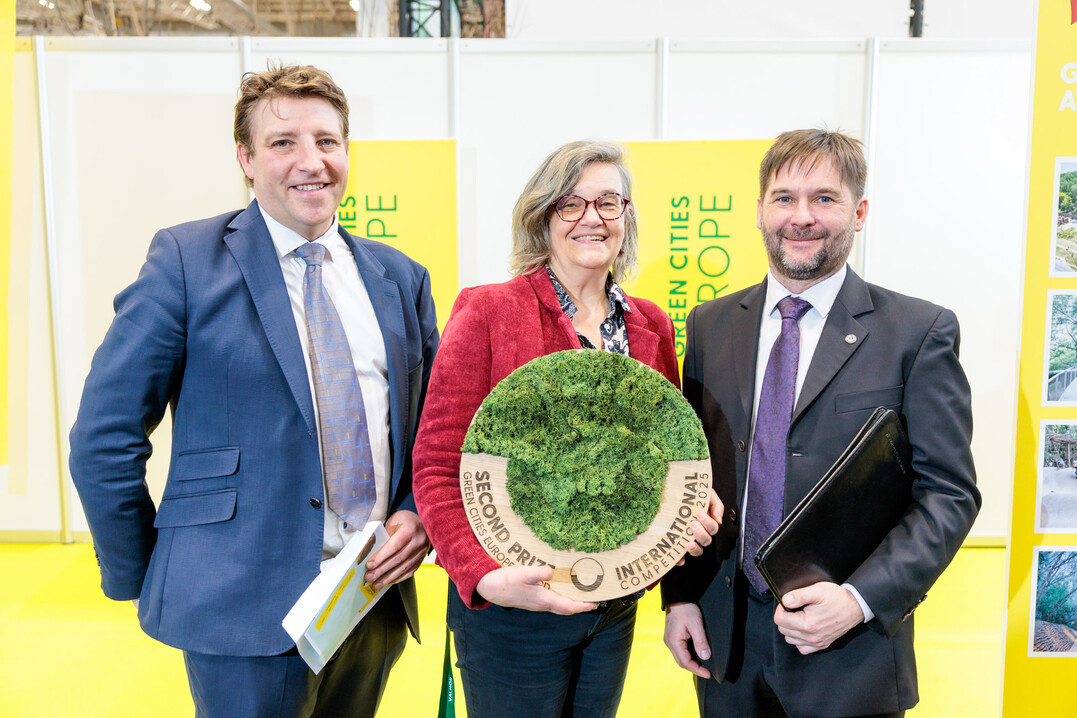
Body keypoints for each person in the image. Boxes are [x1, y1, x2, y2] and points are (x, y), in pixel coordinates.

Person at [68, 64, 438, 717]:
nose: (310, 161)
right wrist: (147, 572)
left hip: (371, 593)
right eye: (282, 142)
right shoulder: (186, 261)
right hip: (236, 600)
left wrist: (418, 513)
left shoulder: (399, 277)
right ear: (245, 158)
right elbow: (105, 435)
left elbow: (434, 429)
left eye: (326, 141)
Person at [661, 128, 981, 718]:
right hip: (726, 647)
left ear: (859, 213)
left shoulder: (918, 332)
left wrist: (860, 599)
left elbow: (949, 495)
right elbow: (690, 473)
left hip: (851, 653)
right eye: (784, 198)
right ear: (760, 210)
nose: (801, 216)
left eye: (824, 198)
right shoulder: (709, 326)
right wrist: (680, 597)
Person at [412, 140, 721, 718]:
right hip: (514, 608)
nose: (591, 218)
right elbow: (436, 466)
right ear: (542, 217)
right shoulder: (488, 311)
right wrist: (483, 577)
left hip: (614, 604)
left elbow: (668, 459)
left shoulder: (651, 324)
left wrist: (692, 505)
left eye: (608, 202)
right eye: (570, 204)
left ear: (626, 216)